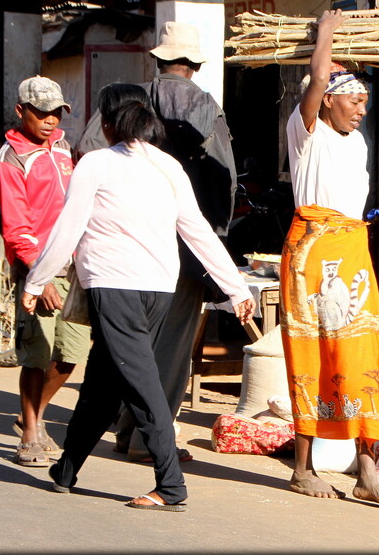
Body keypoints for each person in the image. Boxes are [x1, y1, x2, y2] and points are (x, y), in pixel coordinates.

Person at [21, 84, 254, 511]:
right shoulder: (168, 166)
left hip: (114, 285)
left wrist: (36, 281)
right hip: (159, 288)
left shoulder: (95, 163)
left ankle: (171, 486)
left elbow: (67, 228)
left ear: (107, 124)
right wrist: (235, 286)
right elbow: (197, 230)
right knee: (104, 380)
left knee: (140, 382)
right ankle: (66, 470)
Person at [77, 21, 239, 463]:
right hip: (185, 245)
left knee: (134, 340)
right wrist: (215, 238)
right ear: (196, 65)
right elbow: (226, 178)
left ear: (158, 59)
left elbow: (87, 147)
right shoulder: (205, 106)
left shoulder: (130, 98)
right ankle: (149, 439)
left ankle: (125, 429)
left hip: (126, 244)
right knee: (171, 347)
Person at [280, 8, 379, 507]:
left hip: (352, 250)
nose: (361, 110)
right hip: (309, 253)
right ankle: (302, 468)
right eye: (354, 101)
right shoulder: (304, 130)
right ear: (329, 101)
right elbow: (318, 75)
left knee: (364, 354)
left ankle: (368, 472)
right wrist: (326, 32)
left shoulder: (357, 142)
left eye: (365, 103)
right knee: (311, 356)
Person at [0, 76, 91, 467]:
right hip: (38, 269)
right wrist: (40, 276)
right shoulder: (10, 157)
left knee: (70, 354)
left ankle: (30, 413)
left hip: (73, 265)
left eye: (56, 113)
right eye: (41, 113)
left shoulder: (64, 148)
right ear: (21, 111)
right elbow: (16, 226)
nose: (50, 120)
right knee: (37, 353)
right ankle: (31, 432)